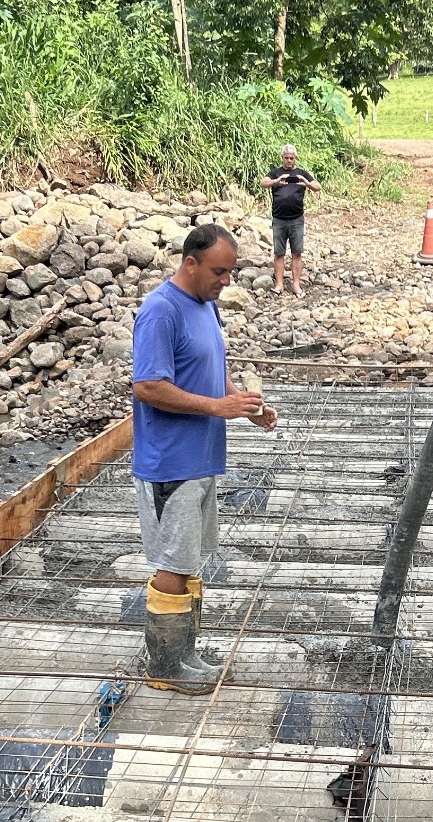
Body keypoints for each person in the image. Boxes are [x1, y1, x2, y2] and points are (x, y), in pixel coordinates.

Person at [131, 223, 277, 695]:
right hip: (170, 463)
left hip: (201, 459)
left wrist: (241, 404)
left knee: (190, 560)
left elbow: (208, 371)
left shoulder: (205, 306)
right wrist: (218, 407)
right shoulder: (160, 312)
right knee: (172, 564)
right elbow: (148, 387)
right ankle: (166, 667)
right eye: (219, 271)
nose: (226, 281)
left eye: (230, 272)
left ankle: (186, 653)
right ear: (189, 263)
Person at [259, 145, 320, 297]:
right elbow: (263, 182)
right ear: (282, 158)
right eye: (286, 158)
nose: (289, 161)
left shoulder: (301, 174)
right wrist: (276, 182)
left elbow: (317, 187)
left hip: (296, 220)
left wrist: (306, 182)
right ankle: (279, 285)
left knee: (296, 253)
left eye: (291, 158)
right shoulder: (276, 173)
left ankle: (296, 285)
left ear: (295, 159)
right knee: (279, 253)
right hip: (279, 219)